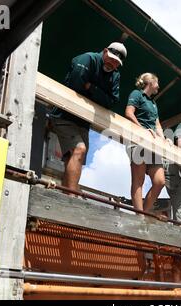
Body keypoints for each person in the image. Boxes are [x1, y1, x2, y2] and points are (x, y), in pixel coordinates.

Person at [48, 42, 127, 193]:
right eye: (111, 58)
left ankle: (67, 197)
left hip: (84, 122)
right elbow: (75, 84)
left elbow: (111, 102)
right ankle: (72, 198)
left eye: (117, 62)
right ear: (105, 51)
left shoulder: (115, 75)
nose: (112, 63)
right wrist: (100, 95)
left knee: (74, 159)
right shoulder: (88, 59)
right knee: (80, 149)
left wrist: (91, 87)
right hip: (64, 115)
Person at [125, 73, 166, 212]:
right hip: (138, 141)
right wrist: (143, 130)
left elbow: (157, 125)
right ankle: (139, 216)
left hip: (153, 145)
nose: (159, 86)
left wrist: (164, 139)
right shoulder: (137, 94)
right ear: (151, 82)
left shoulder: (154, 103)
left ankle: (145, 212)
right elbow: (129, 113)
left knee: (160, 181)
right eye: (157, 82)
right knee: (139, 180)